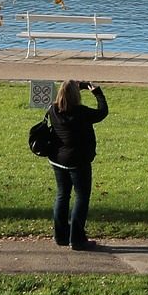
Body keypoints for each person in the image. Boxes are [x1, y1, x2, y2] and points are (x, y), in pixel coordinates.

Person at [43, 79, 109, 250]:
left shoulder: (53, 109)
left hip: (57, 159)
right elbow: (102, 112)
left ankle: (61, 235)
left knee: (62, 195)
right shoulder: (81, 112)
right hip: (78, 161)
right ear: (76, 95)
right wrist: (97, 92)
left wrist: (75, 85)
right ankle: (77, 239)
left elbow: (66, 93)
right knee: (81, 197)